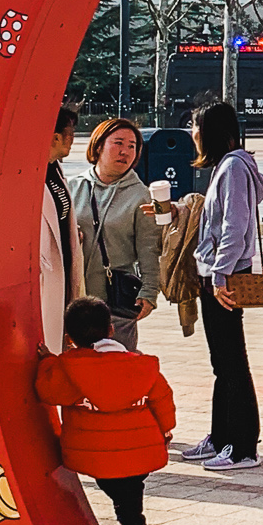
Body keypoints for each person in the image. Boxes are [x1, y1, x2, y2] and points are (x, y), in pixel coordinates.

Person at [36, 293, 176, 525]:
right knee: (130, 493)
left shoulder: (69, 369)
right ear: (111, 329)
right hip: (140, 450)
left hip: (98, 455)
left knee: (122, 497)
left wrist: (48, 361)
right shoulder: (141, 366)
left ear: (70, 338)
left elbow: (48, 390)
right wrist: (166, 429)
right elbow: (163, 399)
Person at [180, 101, 263, 472]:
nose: (192, 133)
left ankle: (243, 447)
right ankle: (220, 436)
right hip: (217, 272)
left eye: (195, 126)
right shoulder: (227, 166)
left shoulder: (232, 167)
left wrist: (218, 276)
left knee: (232, 361)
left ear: (210, 130)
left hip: (225, 276)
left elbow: (236, 226)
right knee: (222, 362)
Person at [73, 116, 164, 350]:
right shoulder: (73, 188)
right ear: (98, 146)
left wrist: (149, 292)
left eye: (132, 146)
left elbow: (149, 248)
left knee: (117, 370)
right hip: (75, 300)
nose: (125, 152)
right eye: (119, 143)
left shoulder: (140, 196)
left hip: (116, 302)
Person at [40, 105, 81, 353]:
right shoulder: (34, 172)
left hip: (63, 265)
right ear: (56, 136)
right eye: (71, 132)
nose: (73, 139)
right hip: (45, 272)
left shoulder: (55, 168)